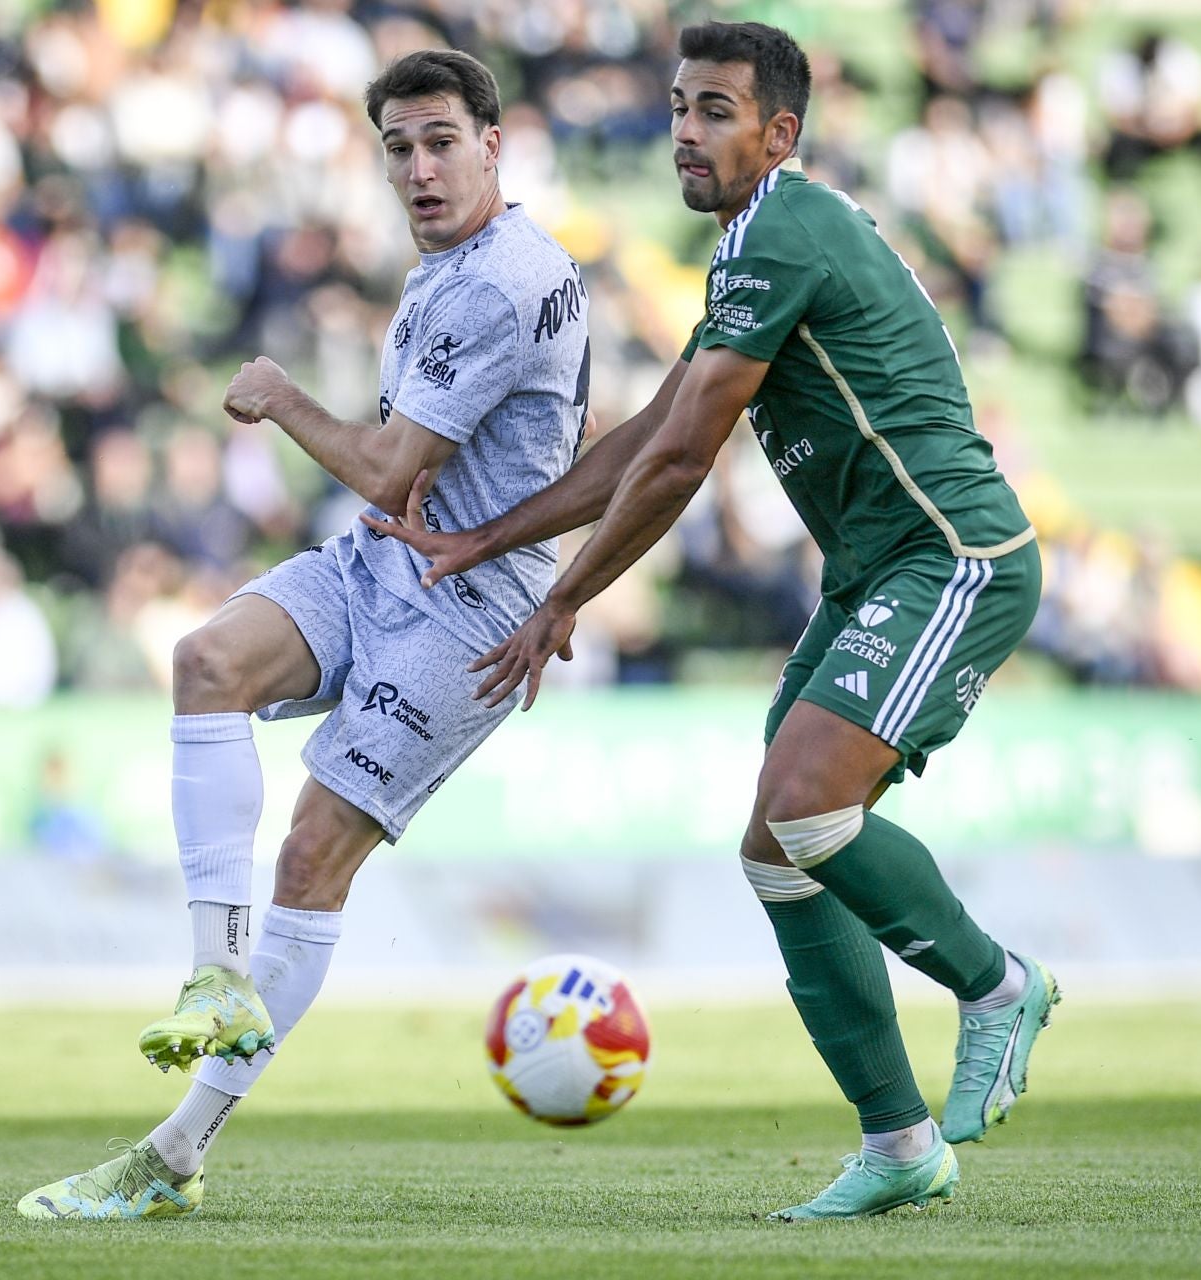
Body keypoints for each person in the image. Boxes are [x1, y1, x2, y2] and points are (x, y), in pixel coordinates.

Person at [377, 22, 1057, 1222]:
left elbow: (687, 456)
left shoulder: (782, 231)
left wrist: (565, 595)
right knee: (774, 848)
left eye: (715, 113)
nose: (685, 133)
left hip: (951, 556)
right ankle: (899, 1141)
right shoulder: (752, 247)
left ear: (777, 133)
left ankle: (997, 981)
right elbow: (649, 433)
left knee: (806, 807)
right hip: (873, 568)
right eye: (678, 107)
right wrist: (489, 539)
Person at [16, 48, 591, 1221]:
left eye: (441, 142)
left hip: (471, 606)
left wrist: (278, 394)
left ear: (494, 142)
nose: (419, 169)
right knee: (206, 662)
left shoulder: (496, 280)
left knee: (311, 858)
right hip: (384, 555)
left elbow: (384, 458)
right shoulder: (465, 262)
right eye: (398, 147)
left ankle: (173, 1151)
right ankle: (219, 973)